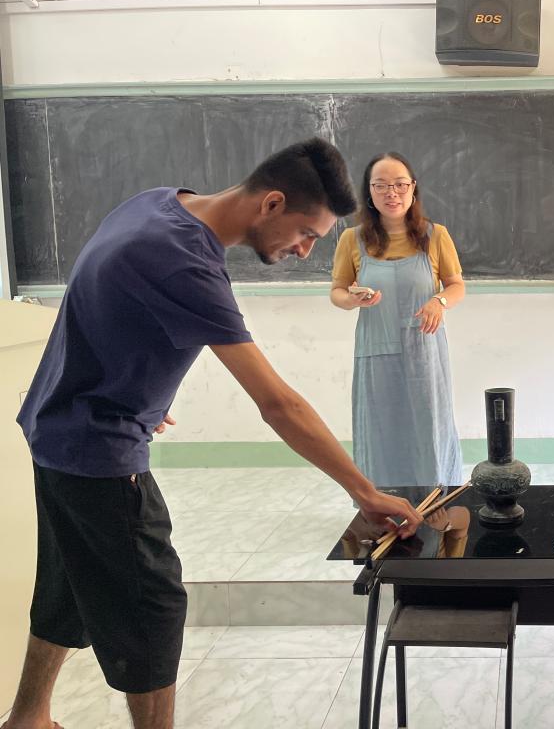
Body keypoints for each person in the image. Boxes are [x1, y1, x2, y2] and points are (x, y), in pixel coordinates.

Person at [5, 138, 423, 729]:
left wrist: (132, 387)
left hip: (55, 425)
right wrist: (365, 492)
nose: (305, 250)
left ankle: (28, 718)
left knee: (68, 580)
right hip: (96, 448)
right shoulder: (187, 264)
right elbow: (279, 405)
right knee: (152, 606)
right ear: (271, 204)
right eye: (306, 233)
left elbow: (101, 297)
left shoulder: (157, 204)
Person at [330, 152, 465, 489]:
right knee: (380, 431)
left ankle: (435, 497)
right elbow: (337, 292)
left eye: (400, 185)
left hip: (425, 352)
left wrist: (439, 301)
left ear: (413, 188)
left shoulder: (436, 235)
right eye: (381, 186)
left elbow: (456, 285)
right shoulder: (352, 239)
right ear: (369, 192)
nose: (392, 193)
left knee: (430, 427)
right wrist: (352, 298)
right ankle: (381, 501)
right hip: (375, 350)